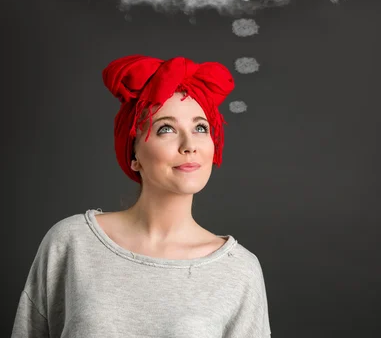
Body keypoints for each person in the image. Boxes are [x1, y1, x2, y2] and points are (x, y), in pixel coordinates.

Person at [11, 55, 272, 337]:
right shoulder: (71, 242)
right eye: (166, 129)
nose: (189, 145)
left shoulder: (239, 270)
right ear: (134, 156)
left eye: (200, 128)